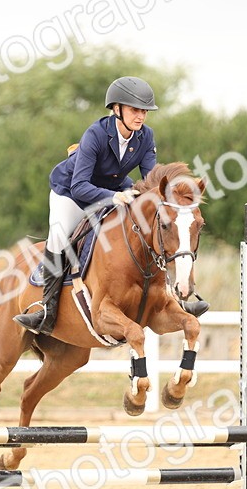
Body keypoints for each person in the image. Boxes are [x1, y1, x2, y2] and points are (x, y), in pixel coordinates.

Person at [15, 76, 160, 335]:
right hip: (71, 192)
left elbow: (149, 181)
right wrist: (114, 197)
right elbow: (80, 185)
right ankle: (45, 310)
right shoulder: (96, 134)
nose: (140, 116)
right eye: (134, 110)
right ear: (117, 109)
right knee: (60, 238)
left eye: (144, 111)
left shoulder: (145, 137)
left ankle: (172, 295)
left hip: (112, 188)